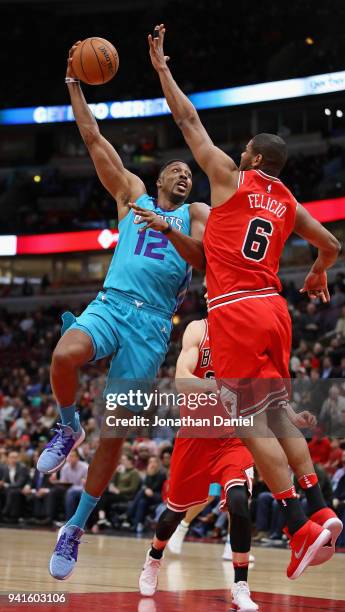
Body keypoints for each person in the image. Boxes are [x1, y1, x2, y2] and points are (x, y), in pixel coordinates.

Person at [142, 24, 343, 579]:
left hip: (235, 310)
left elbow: (187, 121)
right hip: (276, 312)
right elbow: (331, 245)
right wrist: (318, 276)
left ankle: (299, 526)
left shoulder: (230, 178)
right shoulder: (288, 199)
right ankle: (322, 508)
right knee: (277, 413)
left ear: (252, 155)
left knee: (244, 416)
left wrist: (162, 69)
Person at [39, 42, 209, 581]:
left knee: (115, 432)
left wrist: (169, 231)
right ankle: (67, 429)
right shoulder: (132, 194)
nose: (185, 177)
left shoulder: (197, 214)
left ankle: (76, 524)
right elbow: (93, 141)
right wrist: (74, 85)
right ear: (158, 178)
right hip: (111, 304)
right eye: (177, 171)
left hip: (154, 324)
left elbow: (203, 260)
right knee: (65, 354)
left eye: (189, 174)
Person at [139, 318, 257, 611]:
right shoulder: (198, 329)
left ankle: (240, 585)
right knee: (173, 514)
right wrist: (216, 387)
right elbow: (182, 379)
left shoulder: (247, 333)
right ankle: (154, 557)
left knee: (239, 501)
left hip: (232, 437)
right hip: (196, 435)